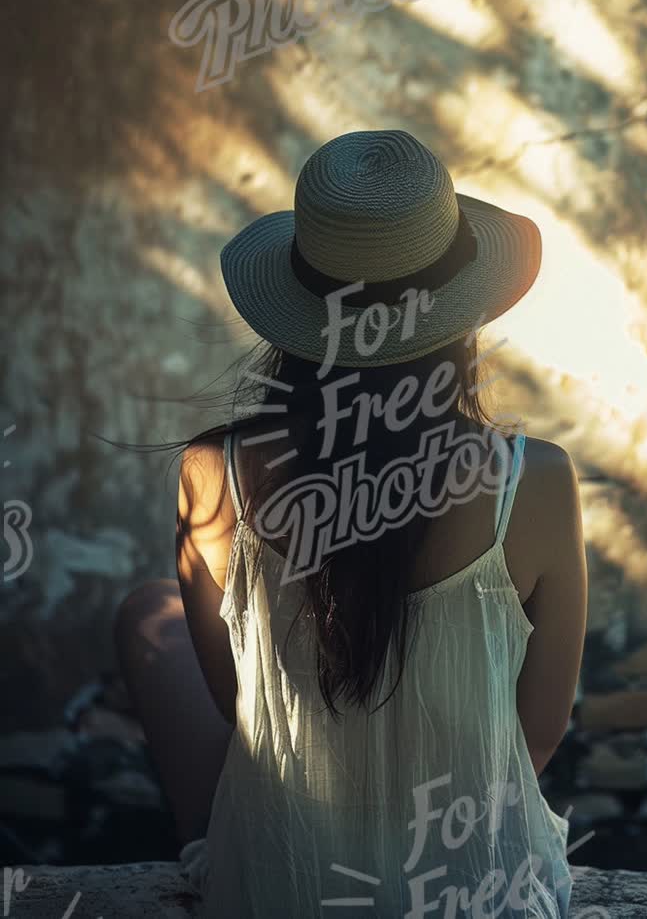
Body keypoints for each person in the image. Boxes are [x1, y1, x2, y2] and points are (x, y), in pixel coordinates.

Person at [114, 129, 588, 917]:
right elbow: (536, 737)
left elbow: (244, 713)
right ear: (460, 313)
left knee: (144, 614)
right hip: (480, 887)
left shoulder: (213, 475)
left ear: (299, 318)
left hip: (282, 884)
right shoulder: (531, 482)